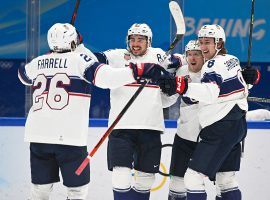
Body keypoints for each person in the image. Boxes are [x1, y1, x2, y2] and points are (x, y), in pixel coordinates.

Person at [17, 23, 168, 200]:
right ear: (74, 41)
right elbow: (107, 79)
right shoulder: (79, 60)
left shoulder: (38, 61)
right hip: (69, 138)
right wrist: (139, 70)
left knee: (39, 191)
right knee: (77, 192)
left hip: (37, 136)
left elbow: (23, 76)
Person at [160, 24, 259, 200]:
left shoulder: (211, 65)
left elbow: (211, 91)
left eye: (206, 44)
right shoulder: (232, 59)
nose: (202, 48)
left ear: (219, 44)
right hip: (234, 126)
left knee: (193, 178)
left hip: (219, 127)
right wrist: (249, 79)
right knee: (225, 180)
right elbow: (237, 87)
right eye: (200, 43)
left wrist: (183, 86)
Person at [94, 23, 185, 200]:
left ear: (148, 41)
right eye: (132, 39)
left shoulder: (159, 56)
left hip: (150, 128)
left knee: (145, 180)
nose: (136, 43)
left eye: (141, 40)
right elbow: (92, 60)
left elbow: (185, 60)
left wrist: (171, 83)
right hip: (120, 128)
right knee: (120, 176)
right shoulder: (117, 56)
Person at [164, 40, 205, 200]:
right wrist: (165, 89)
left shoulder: (212, 71)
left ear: (204, 56)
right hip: (184, 137)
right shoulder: (181, 71)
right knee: (177, 184)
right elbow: (167, 101)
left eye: (197, 54)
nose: (192, 58)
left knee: (221, 182)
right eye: (189, 54)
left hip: (209, 139)